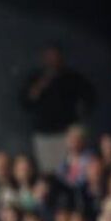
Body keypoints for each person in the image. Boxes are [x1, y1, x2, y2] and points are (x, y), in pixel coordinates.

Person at [21, 44, 95, 172]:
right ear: (44, 59)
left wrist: (80, 115)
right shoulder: (35, 77)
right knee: (48, 170)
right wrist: (41, 84)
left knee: (69, 169)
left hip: (66, 133)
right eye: (49, 57)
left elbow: (90, 97)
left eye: (55, 57)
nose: (52, 61)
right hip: (44, 134)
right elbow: (25, 101)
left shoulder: (71, 77)